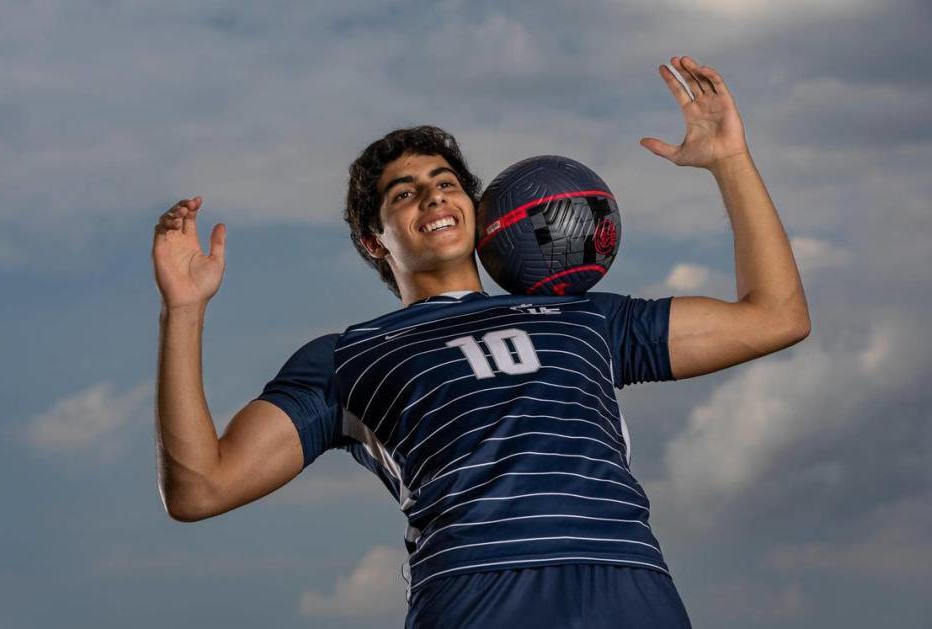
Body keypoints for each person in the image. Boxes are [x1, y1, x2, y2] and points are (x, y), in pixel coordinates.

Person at [152, 56, 810, 628]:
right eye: (403, 194)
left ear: (475, 206)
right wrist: (183, 312)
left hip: (627, 584)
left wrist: (730, 161)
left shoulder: (582, 317)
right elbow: (200, 488)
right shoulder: (346, 357)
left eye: (445, 183)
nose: (433, 197)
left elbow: (776, 316)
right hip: (477, 596)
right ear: (374, 241)